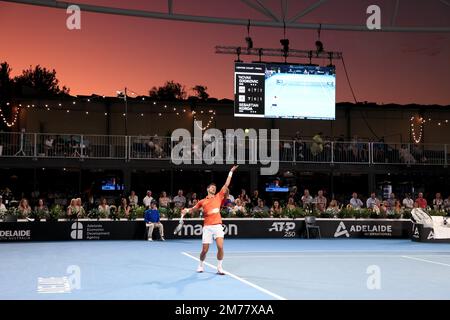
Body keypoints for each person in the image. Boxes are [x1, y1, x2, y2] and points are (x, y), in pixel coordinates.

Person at [181, 165, 239, 275]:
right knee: (205, 250)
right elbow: (193, 209)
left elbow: (226, 184)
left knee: (220, 247)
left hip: (217, 225)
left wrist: (231, 172)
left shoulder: (218, 196)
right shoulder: (202, 201)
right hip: (207, 227)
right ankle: (200, 264)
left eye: (214, 187)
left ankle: (219, 267)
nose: (213, 188)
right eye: (211, 187)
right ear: (207, 189)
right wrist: (186, 211)